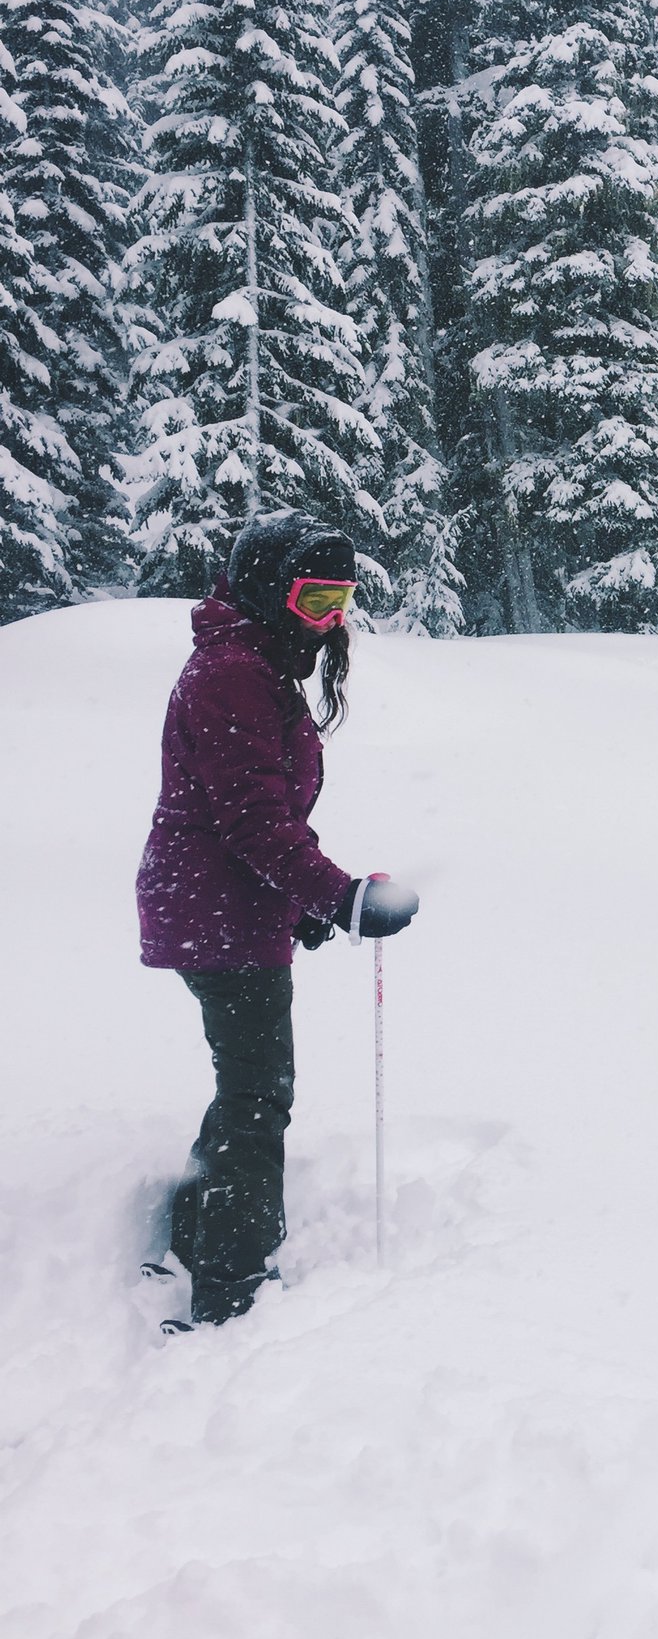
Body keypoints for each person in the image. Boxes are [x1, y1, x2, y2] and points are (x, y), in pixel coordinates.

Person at [136, 510, 420, 1330]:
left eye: (342, 598)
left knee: (247, 1086)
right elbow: (254, 819)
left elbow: (263, 815)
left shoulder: (256, 663)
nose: (331, 618)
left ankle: (194, 1233)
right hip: (214, 912)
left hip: (223, 905)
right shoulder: (232, 673)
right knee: (261, 1094)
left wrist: (301, 901)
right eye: (313, 597)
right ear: (270, 591)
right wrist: (340, 896)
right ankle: (231, 1286)